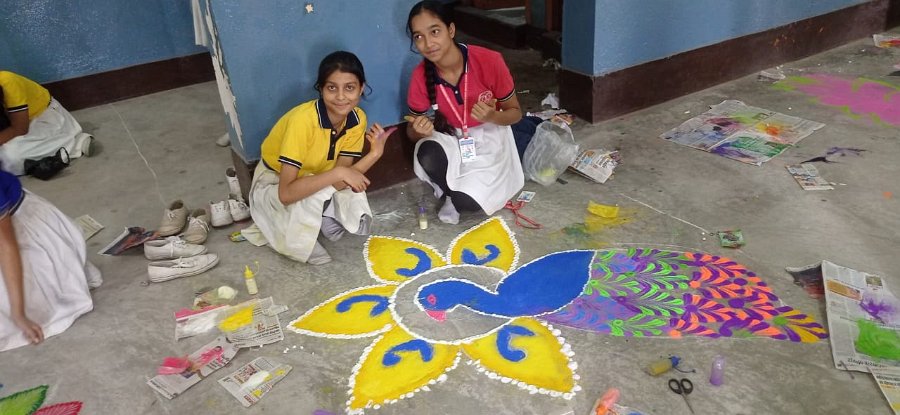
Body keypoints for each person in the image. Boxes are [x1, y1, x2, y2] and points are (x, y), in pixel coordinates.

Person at [244, 51, 389, 265]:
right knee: (303, 246)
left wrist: (375, 153)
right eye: (332, 88)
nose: (341, 97)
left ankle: (322, 212)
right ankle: (318, 214)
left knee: (346, 186)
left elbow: (342, 180)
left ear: (361, 88)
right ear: (320, 89)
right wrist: (340, 173)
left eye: (349, 87)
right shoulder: (302, 121)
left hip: (314, 177)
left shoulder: (357, 119)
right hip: (274, 183)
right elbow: (286, 194)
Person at [405, 1, 527, 224]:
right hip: (452, 138)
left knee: (467, 203)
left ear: (451, 30)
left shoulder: (489, 60)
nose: (428, 43)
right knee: (426, 151)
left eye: (434, 32)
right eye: (419, 37)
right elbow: (411, 132)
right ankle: (451, 191)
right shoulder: (420, 76)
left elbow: (515, 113)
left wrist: (492, 116)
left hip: (491, 137)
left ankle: (459, 195)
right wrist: (418, 130)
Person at [0, 169, 102, 352]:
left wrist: (18, 313)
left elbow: (6, 245)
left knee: (9, 319)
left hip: (24, 229)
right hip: (8, 228)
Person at [0, 71, 93, 176]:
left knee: (9, 157)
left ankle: (75, 143)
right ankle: (39, 158)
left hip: (45, 119)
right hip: (16, 125)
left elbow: (20, 128)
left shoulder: (8, 81)